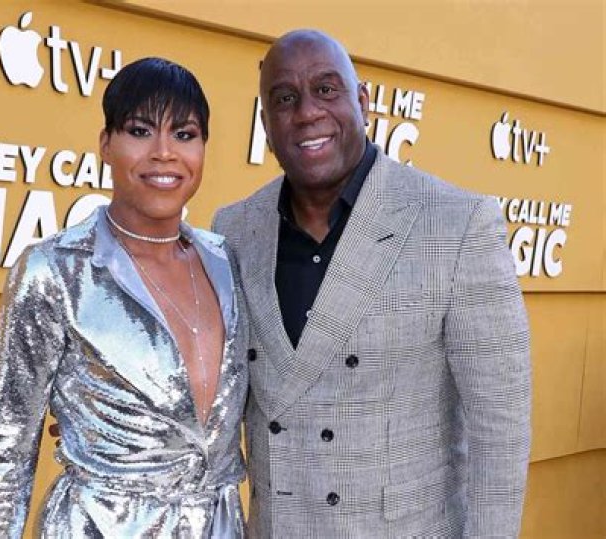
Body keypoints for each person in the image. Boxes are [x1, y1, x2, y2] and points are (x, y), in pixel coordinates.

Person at [213, 30, 531, 537]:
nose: (307, 112)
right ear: (267, 125)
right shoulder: (233, 230)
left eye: (326, 89)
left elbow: (501, 430)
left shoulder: (457, 224)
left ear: (362, 102)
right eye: (285, 99)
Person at [0, 57, 248, 538]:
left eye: (184, 134)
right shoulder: (54, 270)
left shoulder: (226, 262)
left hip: (220, 526)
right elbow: (8, 446)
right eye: (140, 131)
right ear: (105, 144)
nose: (164, 153)